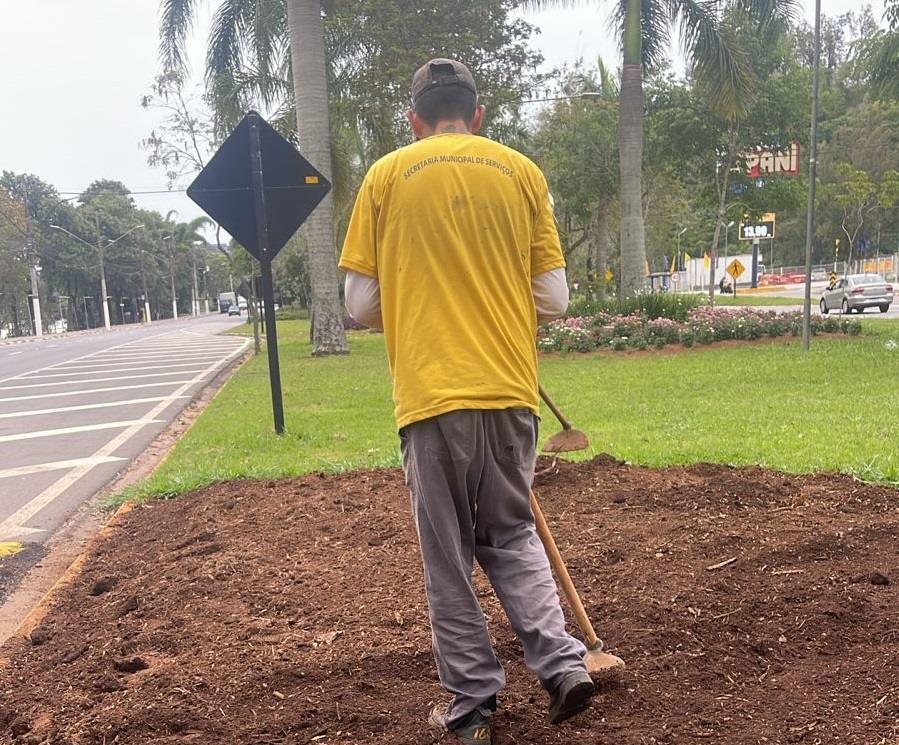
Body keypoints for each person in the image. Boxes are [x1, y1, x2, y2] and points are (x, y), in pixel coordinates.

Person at [339, 59, 599, 745]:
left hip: (430, 398)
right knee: (512, 534)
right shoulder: (520, 172)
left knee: (447, 554)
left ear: (414, 119)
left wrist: (418, 285)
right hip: (512, 393)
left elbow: (359, 306)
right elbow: (554, 298)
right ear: (477, 115)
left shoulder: (387, 176)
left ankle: (472, 707)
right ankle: (563, 664)